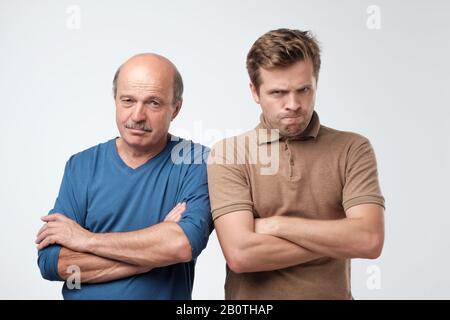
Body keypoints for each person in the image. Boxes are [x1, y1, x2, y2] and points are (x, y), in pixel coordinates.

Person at [207, 28, 385, 299]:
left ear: (316, 83)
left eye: (304, 90)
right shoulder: (228, 154)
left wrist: (277, 225)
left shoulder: (352, 148)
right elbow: (242, 255)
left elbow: (369, 240)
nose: (293, 104)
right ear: (255, 92)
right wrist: (340, 240)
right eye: (278, 92)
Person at [36, 53, 212, 299]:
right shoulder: (81, 165)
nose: (137, 115)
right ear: (115, 100)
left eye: (153, 103)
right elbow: (52, 263)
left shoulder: (197, 162)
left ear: (176, 108)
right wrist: (150, 257)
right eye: (128, 100)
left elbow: (181, 245)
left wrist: (85, 239)